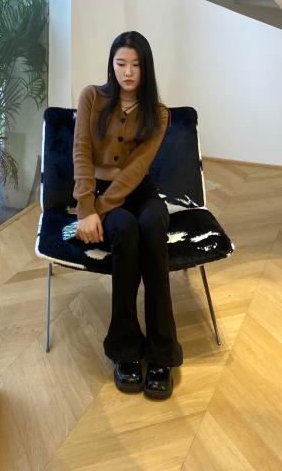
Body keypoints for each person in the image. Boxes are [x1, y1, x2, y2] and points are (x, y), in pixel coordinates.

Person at [72, 31, 183, 399]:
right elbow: (81, 153)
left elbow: (137, 170)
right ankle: (126, 349)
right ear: (112, 64)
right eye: (121, 63)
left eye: (136, 64)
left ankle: (162, 351)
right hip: (98, 193)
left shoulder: (158, 113)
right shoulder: (92, 97)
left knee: (152, 224)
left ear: (146, 68)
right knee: (126, 231)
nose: (128, 72)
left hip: (140, 192)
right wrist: (86, 207)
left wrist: (97, 212)